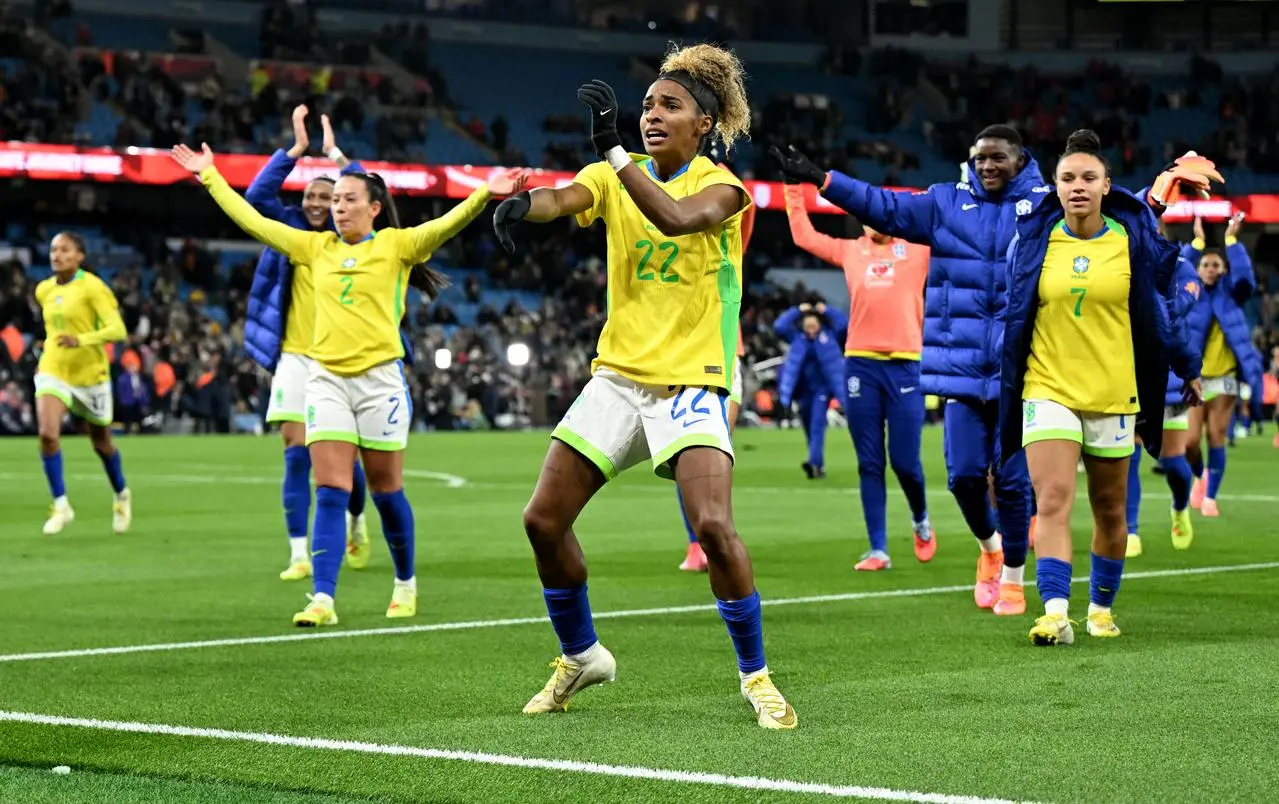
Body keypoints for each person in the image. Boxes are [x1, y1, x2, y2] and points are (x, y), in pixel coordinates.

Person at [491, 43, 796, 729]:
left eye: (671, 106)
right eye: (649, 105)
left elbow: (676, 219)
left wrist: (617, 156)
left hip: (691, 381)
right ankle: (581, 656)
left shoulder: (722, 187)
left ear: (705, 124)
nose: (652, 116)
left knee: (713, 527)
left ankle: (756, 675)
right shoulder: (609, 178)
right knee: (541, 520)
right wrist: (522, 206)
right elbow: (564, 197)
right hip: (620, 378)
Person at [170, 141, 527, 626]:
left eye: (348, 199)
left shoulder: (398, 246)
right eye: (335, 200)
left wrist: (485, 194)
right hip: (326, 382)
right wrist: (209, 176)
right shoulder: (313, 247)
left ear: (374, 208)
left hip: (380, 383)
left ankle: (405, 584)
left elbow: (446, 226)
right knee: (331, 490)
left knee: (386, 491)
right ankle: (323, 598)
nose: (338, 207)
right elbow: (256, 223)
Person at [773, 125, 1043, 615]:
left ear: (1020, 159)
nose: (987, 166)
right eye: (979, 158)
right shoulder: (943, 207)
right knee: (962, 477)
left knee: (1008, 482)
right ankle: (989, 547)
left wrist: (1152, 199)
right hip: (956, 371)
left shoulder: (1042, 206)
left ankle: (1013, 580)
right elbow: (884, 204)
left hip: (1016, 371)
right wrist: (819, 180)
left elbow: (1097, 205)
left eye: (997, 157)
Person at [999, 130, 1205, 646]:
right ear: (1055, 185)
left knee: (1110, 508)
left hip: (1114, 390)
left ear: (1107, 186)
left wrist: (1188, 365)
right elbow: (1016, 312)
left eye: (1089, 178)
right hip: (1047, 387)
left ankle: (1100, 607)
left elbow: (1161, 316)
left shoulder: (1131, 240)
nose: (1078, 187)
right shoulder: (1032, 240)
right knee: (1051, 497)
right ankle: (1054, 611)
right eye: (1068, 178)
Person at [243, 105, 374, 581]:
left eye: (331, 195)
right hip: (297, 357)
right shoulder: (292, 234)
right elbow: (256, 195)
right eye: (313, 196)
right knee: (295, 449)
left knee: (340, 459)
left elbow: (366, 186)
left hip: (345, 357)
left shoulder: (357, 241)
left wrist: (336, 154)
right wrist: (294, 151)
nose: (321, 203)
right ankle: (299, 553)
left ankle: (357, 520)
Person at [782, 181, 933, 570]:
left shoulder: (918, 249)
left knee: (905, 463)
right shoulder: (851, 251)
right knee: (869, 462)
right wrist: (792, 189)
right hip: (861, 365)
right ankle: (878, 549)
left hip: (905, 365)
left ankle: (920, 519)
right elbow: (803, 235)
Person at [678, 154, 755, 573]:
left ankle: (713, 533)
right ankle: (697, 542)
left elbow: (746, 204)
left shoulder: (728, 234)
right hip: (674, 352)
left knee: (713, 449)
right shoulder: (669, 230)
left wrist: (707, 169)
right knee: (683, 451)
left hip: (724, 351)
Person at [33, 232, 131, 535]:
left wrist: (82, 339)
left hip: (91, 376)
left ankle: (121, 494)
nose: (57, 255)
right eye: (53, 250)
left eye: (64, 250)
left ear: (80, 256)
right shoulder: (43, 290)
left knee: (101, 444)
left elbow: (118, 330)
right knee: (48, 435)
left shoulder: (93, 287)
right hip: (54, 369)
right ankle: (61, 504)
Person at [1180, 213, 1263, 517]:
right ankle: (1200, 476)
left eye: (1216, 265)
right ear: (1198, 269)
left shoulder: (1232, 293)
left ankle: (1211, 497)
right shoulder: (1191, 292)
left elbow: (1246, 278)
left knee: (1216, 437)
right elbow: (1178, 272)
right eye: (1205, 264)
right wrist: (1197, 242)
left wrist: (1231, 240)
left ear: (1223, 269)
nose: (1211, 269)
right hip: (1196, 379)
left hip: (1225, 378)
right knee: (1189, 442)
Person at [1126, 257, 1205, 557]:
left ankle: (1180, 506)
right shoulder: (1118, 250)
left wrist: (1152, 304)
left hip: (1169, 379)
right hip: (1130, 376)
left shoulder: (1180, 265)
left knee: (1174, 462)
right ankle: (1130, 530)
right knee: (1130, 457)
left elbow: (1184, 303)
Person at [774, 301, 848, 481]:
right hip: (802, 392)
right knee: (808, 426)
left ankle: (814, 463)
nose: (811, 329)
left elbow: (845, 324)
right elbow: (779, 326)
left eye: (814, 325)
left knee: (816, 426)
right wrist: (797, 311)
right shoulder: (797, 338)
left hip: (821, 390)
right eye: (807, 326)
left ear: (820, 324)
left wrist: (827, 310)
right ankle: (818, 464)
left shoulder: (830, 336)